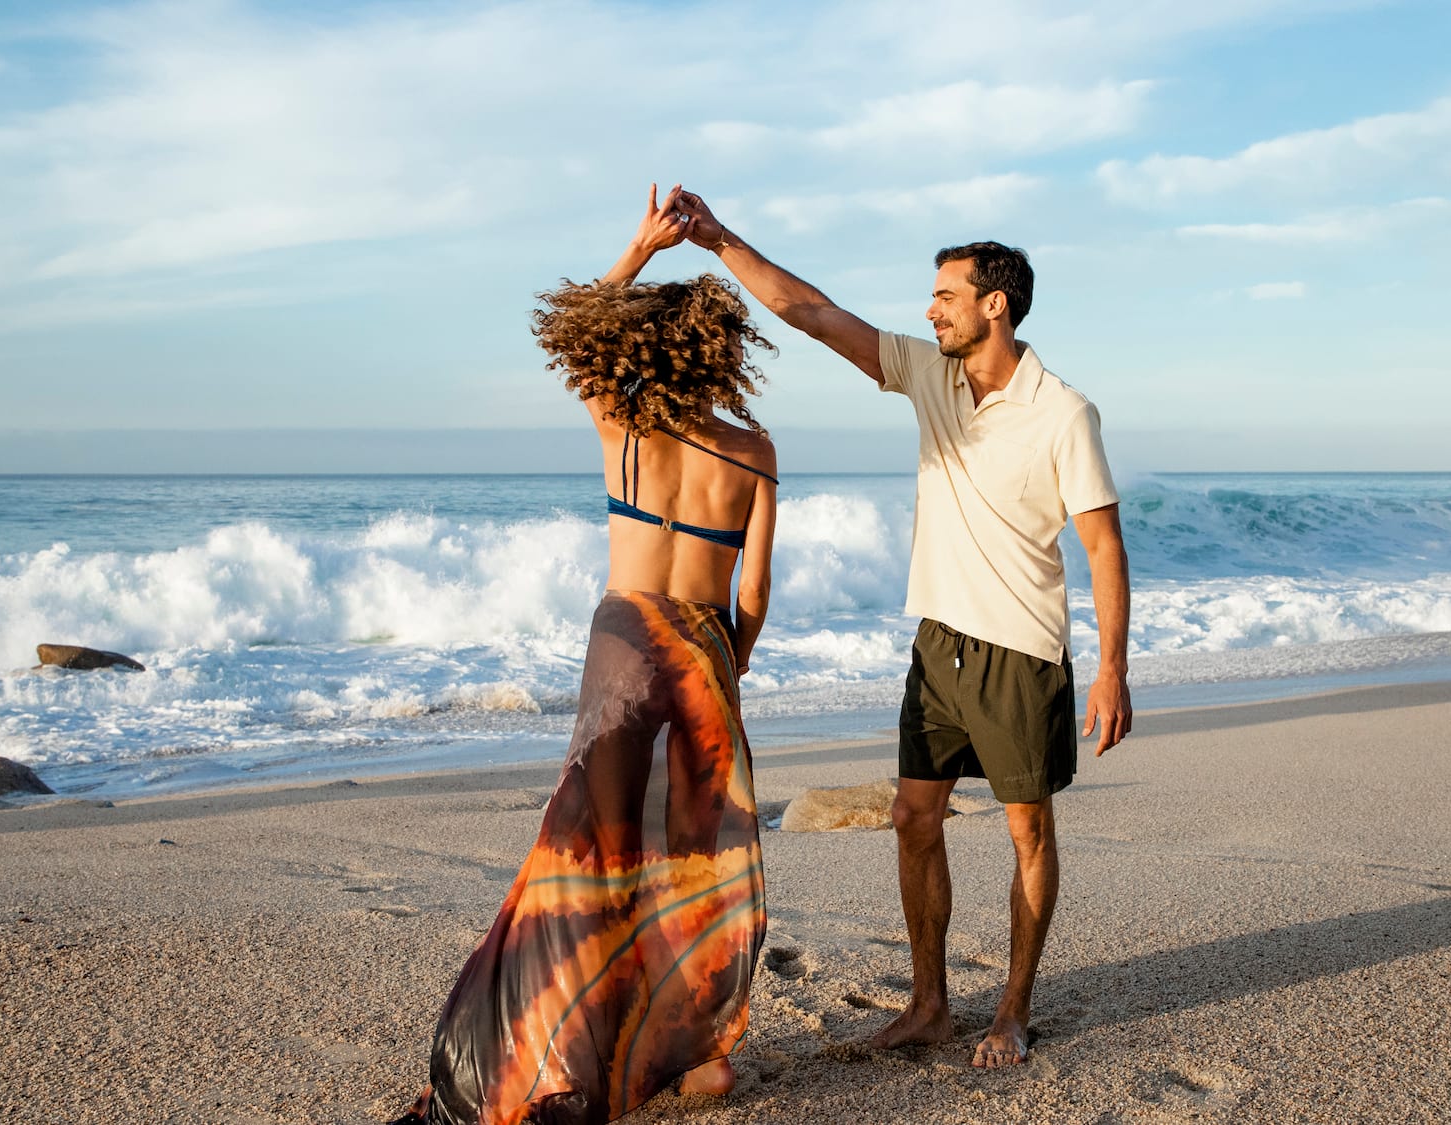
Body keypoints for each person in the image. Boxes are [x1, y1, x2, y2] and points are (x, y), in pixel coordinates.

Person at [671, 190, 1132, 1069]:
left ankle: (1013, 1010)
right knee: (913, 816)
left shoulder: (1063, 412)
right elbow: (813, 314)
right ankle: (930, 1004)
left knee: (1028, 834)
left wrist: (1112, 668)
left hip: (1020, 653)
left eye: (946, 297)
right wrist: (719, 239)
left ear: (995, 304)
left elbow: (1103, 545)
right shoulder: (930, 374)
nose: (930, 311)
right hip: (939, 644)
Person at [395, 186, 777, 1125]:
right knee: (695, 851)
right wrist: (725, 663)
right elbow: (754, 594)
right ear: (724, 351)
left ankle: (564, 1047)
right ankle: (697, 1054)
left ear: (648, 346)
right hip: (703, 651)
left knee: (593, 850)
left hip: (622, 648)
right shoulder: (756, 452)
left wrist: (639, 250)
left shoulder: (622, 422)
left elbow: (573, 335)